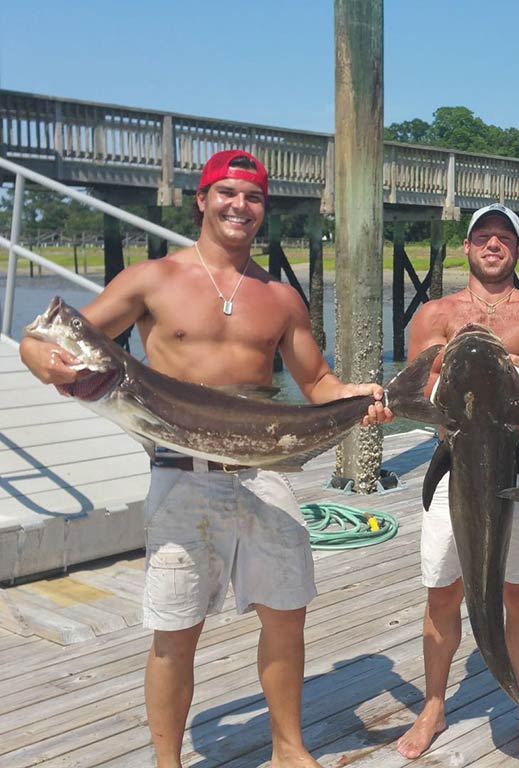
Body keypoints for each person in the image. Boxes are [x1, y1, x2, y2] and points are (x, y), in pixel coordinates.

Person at [19, 149, 393, 768]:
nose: (239, 206)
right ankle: (168, 763)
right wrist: (43, 362)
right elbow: (51, 335)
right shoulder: (152, 279)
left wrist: (361, 399)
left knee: (286, 614)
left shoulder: (280, 298)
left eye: (252, 197)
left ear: (263, 210)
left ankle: (288, 748)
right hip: (179, 475)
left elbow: (320, 383)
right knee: (174, 633)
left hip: (264, 473)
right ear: (201, 199)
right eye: (227, 192)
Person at [396, 203, 519, 763]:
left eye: (504, 238)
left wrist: (511, 370)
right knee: (443, 592)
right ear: (465, 247)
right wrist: (443, 371)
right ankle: (433, 704)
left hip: (515, 463)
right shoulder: (432, 314)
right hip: (452, 461)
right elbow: (416, 400)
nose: (493, 245)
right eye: (482, 236)